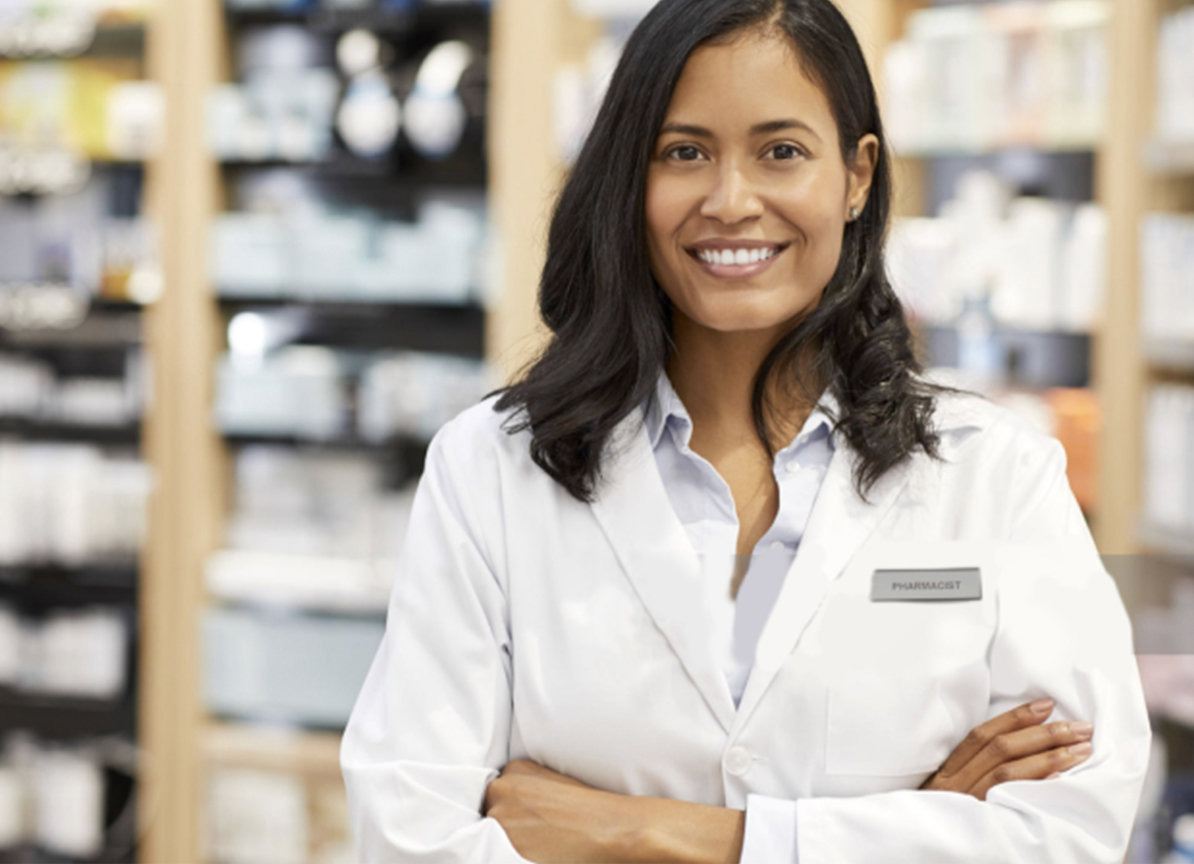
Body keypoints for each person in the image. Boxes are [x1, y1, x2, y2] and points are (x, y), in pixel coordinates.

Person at [341, 0, 1150, 860]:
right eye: (684, 152)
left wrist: (651, 833)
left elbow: (1069, 834)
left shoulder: (999, 477)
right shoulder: (490, 472)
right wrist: (911, 831)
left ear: (856, 175)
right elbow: (408, 834)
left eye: (782, 152)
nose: (731, 202)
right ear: (630, 177)